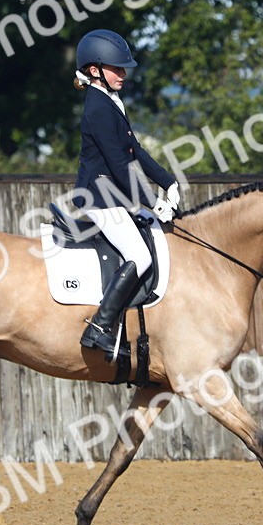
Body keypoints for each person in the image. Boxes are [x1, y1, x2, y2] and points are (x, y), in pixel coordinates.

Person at [72, 29, 180, 361]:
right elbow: (120, 164)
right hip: (99, 197)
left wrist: (168, 180)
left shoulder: (109, 100)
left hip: (111, 194)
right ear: (94, 70)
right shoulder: (98, 107)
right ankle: (101, 327)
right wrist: (152, 202)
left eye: (124, 68)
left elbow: (134, 148)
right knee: (140, 255)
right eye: (116, 68)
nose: (123, 74)